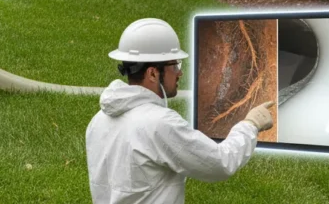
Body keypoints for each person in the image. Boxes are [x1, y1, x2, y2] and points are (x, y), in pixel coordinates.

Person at [85, 18, 275, 204]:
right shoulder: (159, 124)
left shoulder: (98, 120)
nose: (179, 72)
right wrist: (250, 125)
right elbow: (219, 163)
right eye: (174, 65)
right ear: (152, 73)